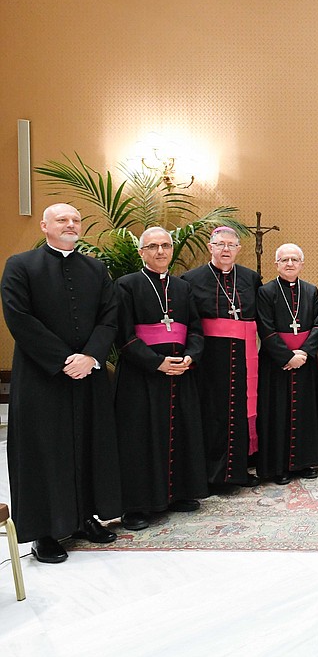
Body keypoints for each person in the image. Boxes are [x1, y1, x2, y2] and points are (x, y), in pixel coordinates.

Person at [1, 203, 121, 563]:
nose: (70, 225)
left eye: (75, 220)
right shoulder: (21, 265)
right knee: (44, 451)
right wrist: (63, 361)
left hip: (89, 373)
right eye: (62, 220)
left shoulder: (95, 268)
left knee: (89, 445)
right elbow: (18, 318)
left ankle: (85, 517)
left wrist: (90, 357)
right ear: (44, 226)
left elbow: (109, 316)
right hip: (42, 376)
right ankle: (44, 532)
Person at [114, 227, 207, 531]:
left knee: (180, 431)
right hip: (141, 377)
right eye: (152, 246)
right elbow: (124, 336)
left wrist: (190, 356)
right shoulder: (126, 285)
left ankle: (177, 493)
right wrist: (156, 364)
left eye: (165, 246)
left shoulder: (183, 287)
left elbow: (195, 329)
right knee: (140, 439)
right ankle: (137, 506)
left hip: (180, 371)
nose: (160, 252)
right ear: (141, 252)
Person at [181, 227, 262, 488]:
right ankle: (211, 475)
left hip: (243, 357)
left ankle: (237, 471)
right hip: (208, 359)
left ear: (239, 249)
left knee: (240, 411)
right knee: (212, 413)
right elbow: (189, 323)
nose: (225, 249)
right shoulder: (190, 280)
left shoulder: (251, 278)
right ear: (210, 247)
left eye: (231, 245)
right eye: (220, 244)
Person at [256, 243, 318, 485]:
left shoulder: (311, 291)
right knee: (277, 413)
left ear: (302, 264)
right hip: (276, 364)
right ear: (277, 264)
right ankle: (279, 466)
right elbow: (265, 328)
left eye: (295, 259)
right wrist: (287, 357)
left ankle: (305, 462)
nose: (290, 264)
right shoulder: (266, 292)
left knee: (306, 412)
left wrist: (303, 353)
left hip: (304, 363)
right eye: (285, 260)